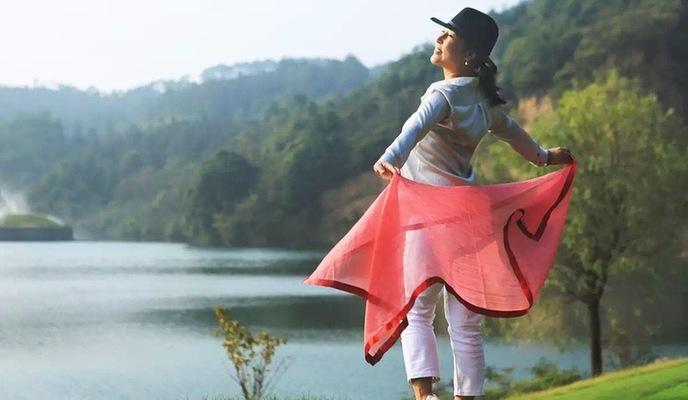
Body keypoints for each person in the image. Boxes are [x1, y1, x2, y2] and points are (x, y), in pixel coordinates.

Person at [371, 8, 573, 400]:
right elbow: (514, 133)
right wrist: (544, 157)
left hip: (428, 216)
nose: (438, 39)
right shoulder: (485, 101)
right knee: (465, 320)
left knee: (418, 310)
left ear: (468, 54)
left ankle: (425, 397)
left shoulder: (443, 94)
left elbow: (415, 126)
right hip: (468, 218)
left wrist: (390, 158)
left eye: (447, 36)